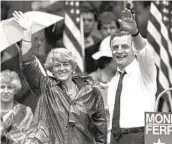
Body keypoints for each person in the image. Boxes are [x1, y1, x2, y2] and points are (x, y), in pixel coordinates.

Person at [12, 11, 107, 144]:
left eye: (66, 64)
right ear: (51, 70)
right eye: (57, 65)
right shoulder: (47, 88)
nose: (62, 68)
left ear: (73, 67)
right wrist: (27, 32)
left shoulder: (90, 92)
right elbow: (27, 62)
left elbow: (101, 128)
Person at [107, 9, 157, 144]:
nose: (119, 51)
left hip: (141, 136)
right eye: (115, 47)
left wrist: (135, 33)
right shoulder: (114, 81)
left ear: (133, 49)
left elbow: (143, 51)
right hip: (115, 138)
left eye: (124, 46)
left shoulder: (145, 71)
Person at [0, 70, 33, 144]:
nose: (5, 91)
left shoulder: (24, 112)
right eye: (2, 87)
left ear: (15, 90)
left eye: (9, 88)